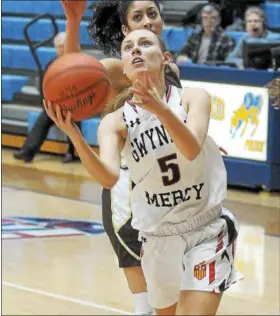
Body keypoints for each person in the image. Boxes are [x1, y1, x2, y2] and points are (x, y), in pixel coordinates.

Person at [44, 28, 241, 315]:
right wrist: (74, 136)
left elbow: (190, 149)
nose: (135, 49)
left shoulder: (193, 98)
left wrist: (159, 109)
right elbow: (108, 177)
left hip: (206, 227)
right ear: (123, 68)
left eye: (145, 44)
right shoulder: (114, 122)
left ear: (165, 58)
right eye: (128, 47)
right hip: (158, 236)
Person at [61, 1, 181, 314]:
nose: (147, 21)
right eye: (137, 16)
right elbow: (72, 80)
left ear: (162, 21)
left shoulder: (171, 69)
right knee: (147, 298)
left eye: (152, 14)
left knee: (174, 293)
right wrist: (73, 22)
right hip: (129, 191)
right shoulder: (118, 70)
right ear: (125, 29)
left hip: (171, 190)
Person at [13, 31, 81, 163]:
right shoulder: (51, 64)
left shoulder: (78, 62)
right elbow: (44, 86)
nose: (61, 49)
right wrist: (48, 103)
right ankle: (28, 151)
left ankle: (71, 152)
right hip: (57, 104)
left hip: (77, 103)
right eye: (59, 46)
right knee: (44, 117)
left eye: (64, 45)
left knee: (74, 116)